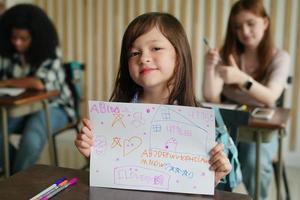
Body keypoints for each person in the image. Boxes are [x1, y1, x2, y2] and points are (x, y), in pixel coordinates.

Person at [75, 12, 234, 186]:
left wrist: (215, 177)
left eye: (156, 48)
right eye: (134, 53)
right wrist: (94, 155)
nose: (144, 58)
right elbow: (111, 176)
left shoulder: (203, 123)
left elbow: (201, 185)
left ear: (179, 57)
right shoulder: (114, 117)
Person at [203, 0, 290, 199]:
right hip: (228, 123)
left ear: (265, 23)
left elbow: (270, 97)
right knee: (212, 157)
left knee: (252, 161)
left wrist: (241, 79)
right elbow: (211, 96)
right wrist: (210, 67)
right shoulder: (228, 53)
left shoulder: (280, 58)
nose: (245, 31)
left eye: (251, 23)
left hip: (260, 127)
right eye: (238, 26)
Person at [0, 4, 75, 173]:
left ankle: (16, 186)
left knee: (31, 139)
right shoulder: (7, 52)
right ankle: (16, 175)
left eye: (24, 38)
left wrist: (6, 83)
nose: (17, 42)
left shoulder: (49, 50)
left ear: (36, 37)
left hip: (55, 106)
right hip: (20, 108)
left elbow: (40, 83)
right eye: (14, 37)